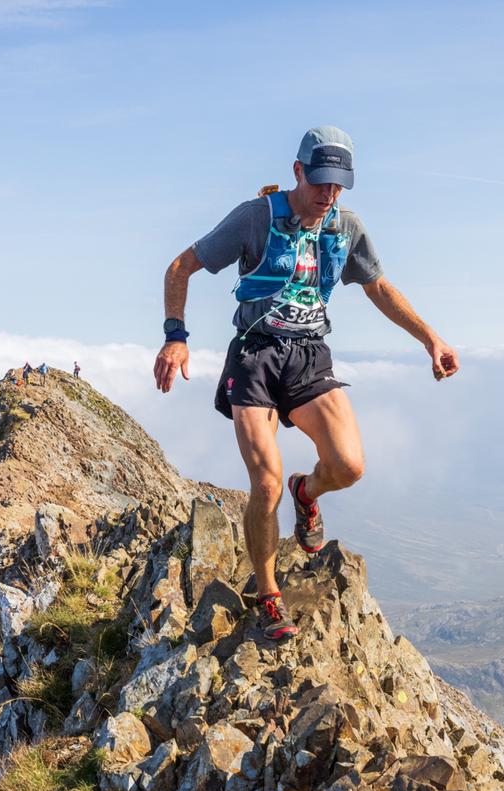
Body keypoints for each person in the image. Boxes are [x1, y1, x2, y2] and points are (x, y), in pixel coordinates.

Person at [153, 126, 458, 641]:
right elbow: (181, 267)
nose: (328, 195)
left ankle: (307, 490)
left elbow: (377, 286)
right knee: (265, 482)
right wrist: (175, 336)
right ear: (298, 172)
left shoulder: (346, 227)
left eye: (339, 186)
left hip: (310, 356)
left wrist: (431, 339)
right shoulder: (254, 219)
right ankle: (269, 597)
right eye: (320, 183)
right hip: (254, 356)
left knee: (348, 466)